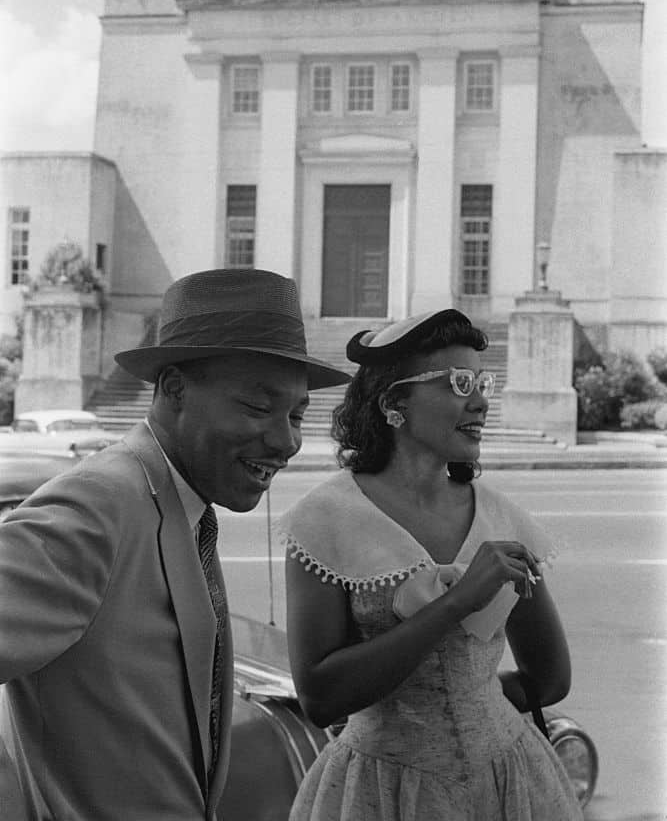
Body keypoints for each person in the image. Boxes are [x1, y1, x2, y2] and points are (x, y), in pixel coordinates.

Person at [0, 268, 350, 821]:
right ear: (174, 389)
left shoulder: (180, 508)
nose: (285, 441)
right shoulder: (100, 505)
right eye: (259, 408)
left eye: (298, 415)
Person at [280, 309, 584, 820]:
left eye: (483, 382)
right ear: (393, 402)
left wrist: (469, 701)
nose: (482, 401)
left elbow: (550, 680)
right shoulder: (323, 521)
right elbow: (320, 698)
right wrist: (457, 603)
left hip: (509, 782)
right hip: (380, 791)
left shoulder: (500, 516)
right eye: (459, 383)